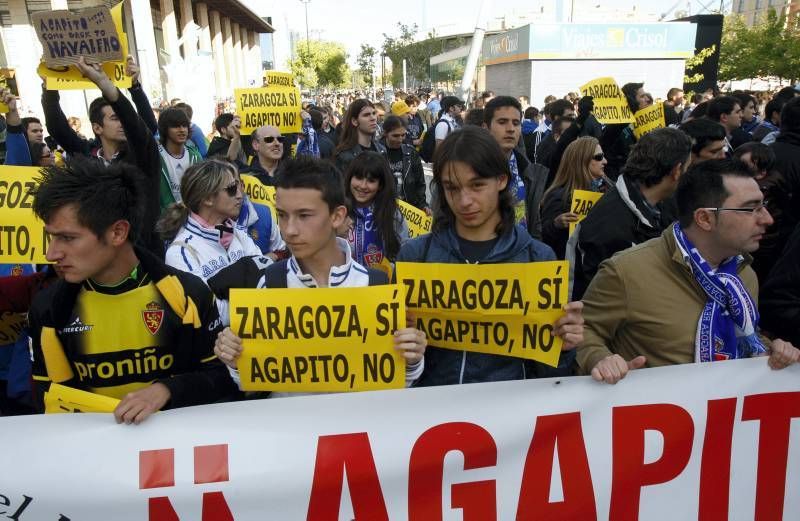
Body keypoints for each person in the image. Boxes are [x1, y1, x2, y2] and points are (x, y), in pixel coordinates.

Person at [28, 158, 238, 423]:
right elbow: (45, 400)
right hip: (91, 459)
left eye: (68, 238)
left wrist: (166, 390)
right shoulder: (47, 309)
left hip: (171, 456)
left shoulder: (188, 294)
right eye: (51, 236)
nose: (51, 253)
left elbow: (222, 379)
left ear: (118, 233)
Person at [210, 156, 427, 396]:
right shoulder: (270, 285)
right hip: (293, 428)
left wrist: (412, 359)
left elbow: (396, 382)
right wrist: (235, 359)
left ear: (337, 216)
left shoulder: (375, 285)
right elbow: (253, 381)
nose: (289, 230)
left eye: (304, 216)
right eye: (282, 215)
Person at [577, 158, 800, 384]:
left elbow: (743, 334)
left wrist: (772, 349)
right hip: (655, 415)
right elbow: (584, 330)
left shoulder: (743, 274)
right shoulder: (627, 271)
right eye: (751, 209)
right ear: (705, 218)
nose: (767, 219)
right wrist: (600, 358)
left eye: (763, 206)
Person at [396, 127, 584, 385]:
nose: (464, 201)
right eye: (452, 188)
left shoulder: (538, 259)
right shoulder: (415, 256)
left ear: (501, 180)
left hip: (508, 419)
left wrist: (564, 348)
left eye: (477, 185)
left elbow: (549, 378)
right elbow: (397, 372)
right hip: (433, 416)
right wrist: (406, 354)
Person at [572, 128, 692, 299]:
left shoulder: (665, 205)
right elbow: (604, 300)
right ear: (677, 170)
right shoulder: (609, 225)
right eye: (688, 168)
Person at [159, 160, 263, 283]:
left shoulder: (240, 234)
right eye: (232, 188)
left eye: (238, 186)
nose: (240, 195)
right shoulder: (181, 252)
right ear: (208, 198)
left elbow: (264, 281)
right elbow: (204, 301)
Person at [483, 96, 548, 240]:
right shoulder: (467, 171)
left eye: (516, 123)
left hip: (521, 255)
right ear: (486, 128)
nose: (511, 129)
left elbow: (533, 222)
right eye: (502, 122)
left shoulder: (528, 170)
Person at [540, 136, 610, 259]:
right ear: (582, 160)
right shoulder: (558, 197)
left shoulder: (608, 190)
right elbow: (542, 239)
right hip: (571, 271)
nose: (605, 161)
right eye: (599, 157)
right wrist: (555, 225)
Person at [344, 152, 409, 273]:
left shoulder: (391, 213)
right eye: (358, 178)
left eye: (371, 180)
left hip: (381, 286)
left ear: (380, 185)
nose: (363, 186)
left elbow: (405, 252)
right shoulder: (338, 210)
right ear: (349, 178)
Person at [733, 142, 789, 282]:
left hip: (762, 247)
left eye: (745, 166)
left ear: (763, 171)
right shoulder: (772, 184)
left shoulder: (762, 190)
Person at [157, 107, 203, 209]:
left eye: (185, 126)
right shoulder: (155, 157)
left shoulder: (195, 156)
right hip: (165, 220)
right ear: (165, 129)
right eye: (176, 126)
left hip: (191, 217)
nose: (182, 130)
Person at [382, 115, 429, 212]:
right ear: (385, 133)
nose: (400, 139)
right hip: (384, 209)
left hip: (409, 209)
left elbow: (419, 182)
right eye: (395, 135)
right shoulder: (376, 153)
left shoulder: (411, 152)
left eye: (403, 135)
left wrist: (423, 205)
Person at [335, 99, 386, 172]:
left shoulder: (381, 150)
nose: (373, 118)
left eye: (374, 113)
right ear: (355, 121)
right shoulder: (344, 156)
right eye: (366, 115)